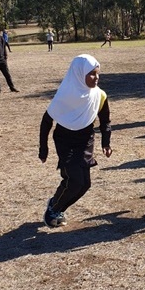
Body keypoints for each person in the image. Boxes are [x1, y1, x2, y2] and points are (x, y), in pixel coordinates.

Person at [39, 55, 112, 227]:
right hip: (65, 140)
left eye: (98, 74)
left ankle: (57, 206)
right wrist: (44, 149)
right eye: (92, 74)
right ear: (79, 74)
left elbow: (105, 121)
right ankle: (53, 209)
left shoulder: (100, 96)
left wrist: (106, 143)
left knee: (85, 184)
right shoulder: (65, 95)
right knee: (75, 179)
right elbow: (46, 121)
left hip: (86, 139)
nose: (96, 78)